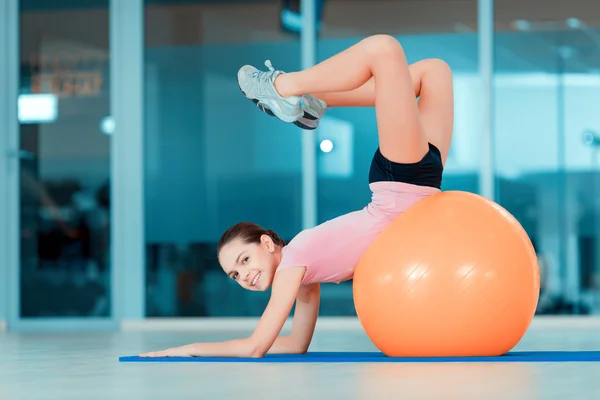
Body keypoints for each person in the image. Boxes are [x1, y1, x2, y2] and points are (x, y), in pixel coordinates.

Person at [140, 34, 454, 358]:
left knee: (384, 50)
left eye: (244, 261)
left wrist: (187, 349)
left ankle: (282, 87)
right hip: (424, 185)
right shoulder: (304, 275)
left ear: (266, 243)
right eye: (235, 274)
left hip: (401, 184)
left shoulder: (294, 262)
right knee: (434, 71)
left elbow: (255, 346)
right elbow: (296, 344)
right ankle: (311, 101)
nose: (243, 276)